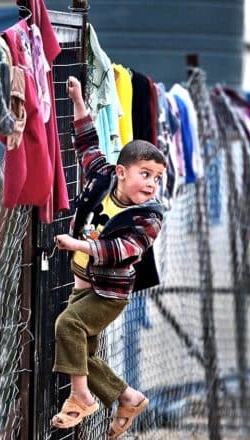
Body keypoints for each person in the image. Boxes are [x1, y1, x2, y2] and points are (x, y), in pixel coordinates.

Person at [51, 76, 166, 439]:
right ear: (121, 172)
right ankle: (127, 397)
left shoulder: (149, 216)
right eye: (144, 174)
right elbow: (87, 145)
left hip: (108, 293)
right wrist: (79, 103)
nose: (151, 185)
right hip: (82, 283)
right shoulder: (102, 177)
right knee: (82, 354)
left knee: (68, 327)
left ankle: (81, 396)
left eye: (157, 178)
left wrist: (78, 245)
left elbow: (122, 251)